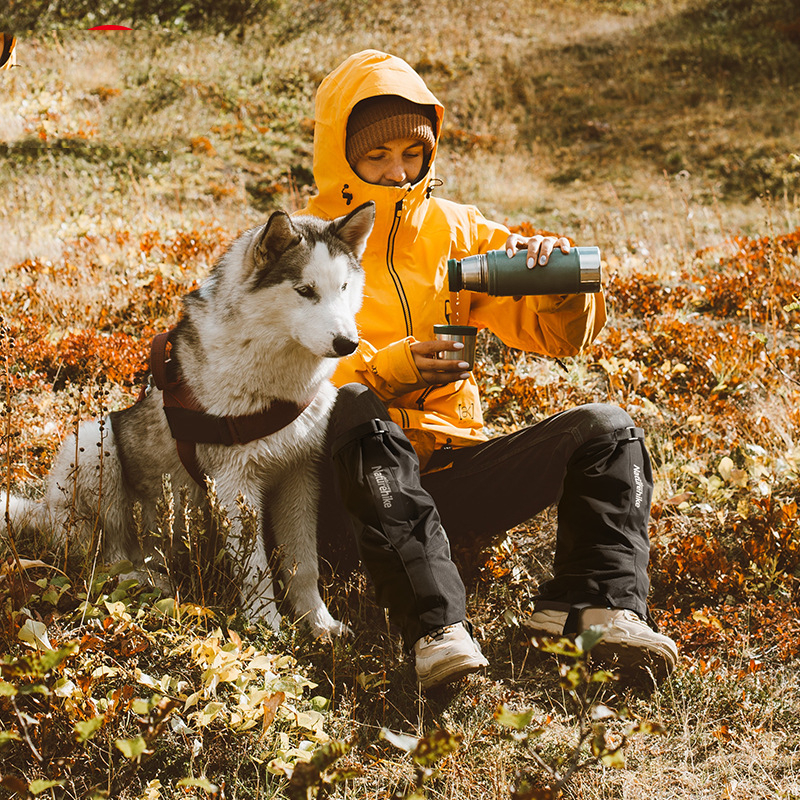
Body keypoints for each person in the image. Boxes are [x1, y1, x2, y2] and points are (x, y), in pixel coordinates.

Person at [292, 49, 677, 689]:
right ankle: (435, 629)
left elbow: (563, 337)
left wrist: (559, 284)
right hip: (343, 489)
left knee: (608, 429)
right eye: (377, 156)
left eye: (413, 153)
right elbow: (275, 384)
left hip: (445, 472)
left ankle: (590, 609)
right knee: (357, 402)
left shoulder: (457, 231)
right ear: (341, 155)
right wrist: (386, 372)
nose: (398, 170)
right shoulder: (300, 246)